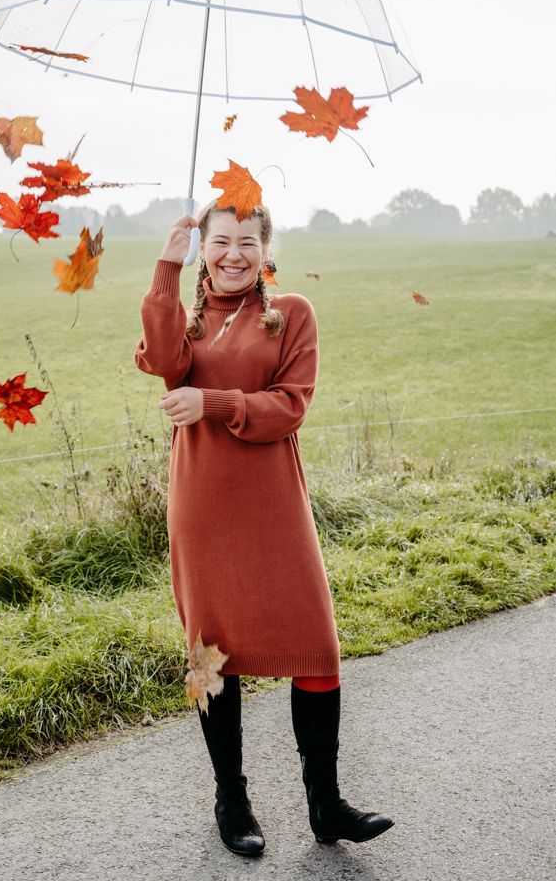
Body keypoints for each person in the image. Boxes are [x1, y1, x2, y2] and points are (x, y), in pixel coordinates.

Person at [134, 199, 394, 857]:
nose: (233, 254)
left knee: (316, 646)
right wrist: (166, 264)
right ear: (204, 250)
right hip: (202, 506)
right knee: (211, 653)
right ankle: (232, 798)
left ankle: (326, 804)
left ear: (263, 250)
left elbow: (289, 407)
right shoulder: (187, 320)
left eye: (246, 242)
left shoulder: (290, 315)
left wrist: (211, 401)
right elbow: (163, 360)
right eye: (219, 242)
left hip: (273, 503)